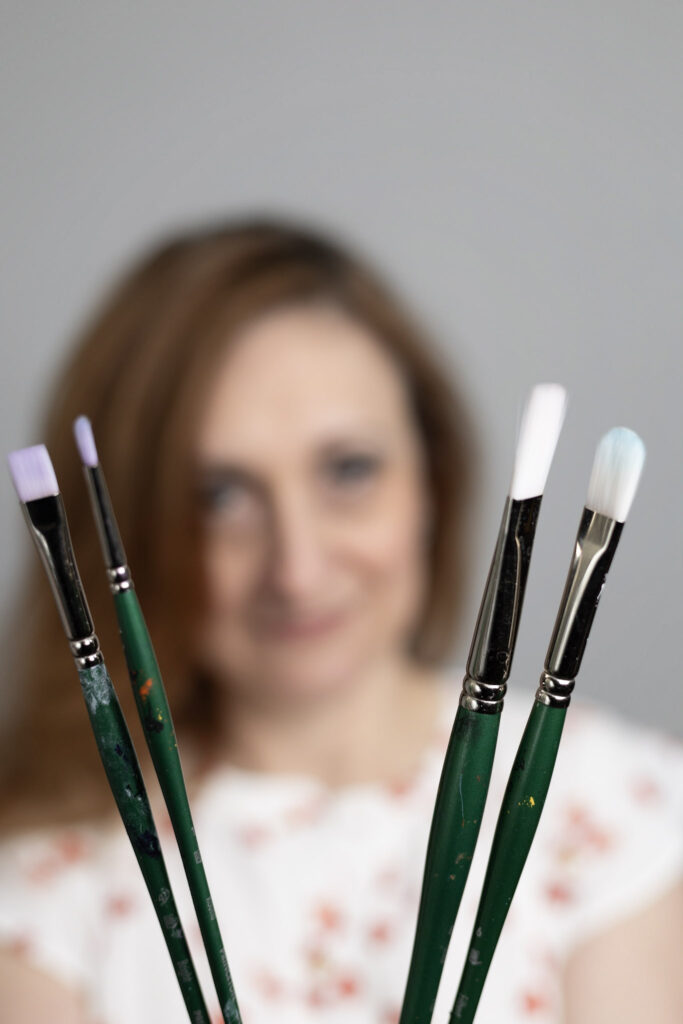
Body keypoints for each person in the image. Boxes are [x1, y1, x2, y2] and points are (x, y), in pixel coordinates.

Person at [0, 219, 680, 1024]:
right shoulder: (44, 882)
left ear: (433, 478)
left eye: (347, 469)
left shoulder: (614, 809)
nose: (298, 567)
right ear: (130, 528)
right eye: (219, 495)